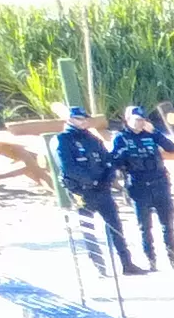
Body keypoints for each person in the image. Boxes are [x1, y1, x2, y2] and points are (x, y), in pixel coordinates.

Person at [53, 108, 139, 276]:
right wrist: (90, 181)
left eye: (85, 118)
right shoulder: (63, 140)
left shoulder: (92, 139)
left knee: (115, 226)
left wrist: (107, 178)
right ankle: (99, 266)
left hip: (102, 190)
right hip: (81, 191)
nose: (83, 121)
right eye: (78, 119)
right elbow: (68, 168)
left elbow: (107, 161)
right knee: (88, 227)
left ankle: (126, 264)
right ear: (70, 120)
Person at [108, 107, 174, 271]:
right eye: (135, 119)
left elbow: (171, 147)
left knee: (167, 223)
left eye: (142, 119)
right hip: (138, 186)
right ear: (127, 120)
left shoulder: (151, 135)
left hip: (159, 183)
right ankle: (151, 260)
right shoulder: (121, 138)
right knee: (145, 226)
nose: (139, 123)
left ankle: (173, 258)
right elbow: (115, 160)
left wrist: (155, 132)